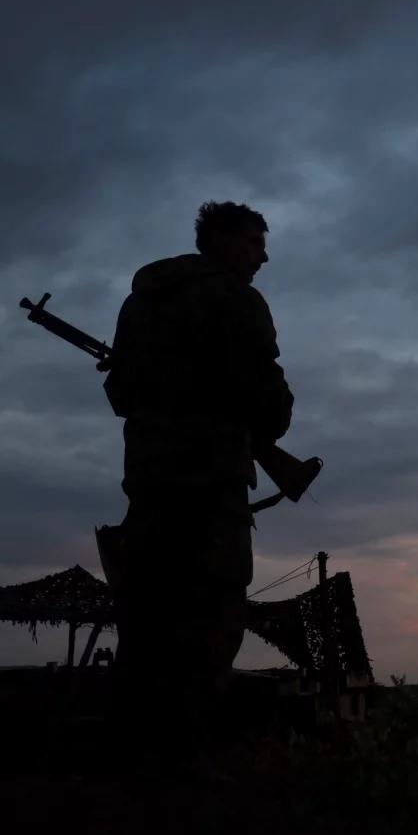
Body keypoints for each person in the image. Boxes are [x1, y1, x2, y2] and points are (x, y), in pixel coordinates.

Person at [103, 200, 293, 770]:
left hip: (149, 487)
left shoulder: (140, 301)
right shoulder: (236, 299)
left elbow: (120, 395)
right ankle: (188, 771)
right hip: (211, 491)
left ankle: (134, 766)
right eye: (257, 244)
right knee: (210, 624)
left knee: (146, 625)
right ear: (226, 241)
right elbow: (271, 408)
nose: (263, 256)